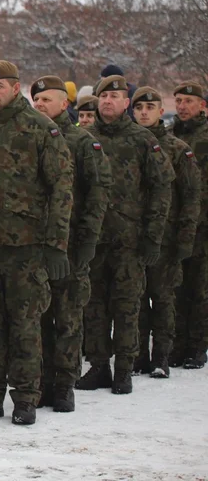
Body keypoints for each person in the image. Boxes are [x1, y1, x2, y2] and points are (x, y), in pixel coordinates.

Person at [0, 62, 73, 427]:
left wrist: (56, 243)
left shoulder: (41, 129)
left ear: (16, 89)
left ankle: (26, 397)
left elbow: (61, 189)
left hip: (26, 246)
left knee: (25, 325)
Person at [78, 75, 173, 395]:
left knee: (128, 305)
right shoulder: (84, 137)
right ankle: (99, 365)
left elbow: (161, 189)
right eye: (103, 96)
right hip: (92, 238)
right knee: (93, 305)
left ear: (126, 103)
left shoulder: (143, 139)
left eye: (115, 96)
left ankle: (124, 368)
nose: (108, 101)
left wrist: (153, 236)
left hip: (128, 238)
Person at [32, 75, 111, 413]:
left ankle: (64, 384)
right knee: (36, 319)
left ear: (65, 104)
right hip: (35, 246)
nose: (40, 106)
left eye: (47, 100)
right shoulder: (30, 138)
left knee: (67, 318)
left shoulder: (82, 142)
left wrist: (89, 241)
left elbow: (97, 195)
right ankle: (42, 384)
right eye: (36, 101)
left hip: (71, 245)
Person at [132, 87, 199, 378]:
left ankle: (161, 356)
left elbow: (191, 197)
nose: (144, 112)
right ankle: (138, 356)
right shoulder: (127, 145)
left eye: (150, 107)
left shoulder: (177, 149)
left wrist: (185, 239)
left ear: (161, 111)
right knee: (135, 299)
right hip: (131, 237)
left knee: (163, 298)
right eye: (139, 107)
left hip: (166, 238)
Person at [172, 81, 208, 369]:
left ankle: (197, 346)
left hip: (204, 223)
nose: (182, 106)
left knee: (200, 287)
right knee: (176, 285)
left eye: (188, 101)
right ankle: (177, 343)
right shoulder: (171, 136)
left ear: (202, 106)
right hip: (176, 222)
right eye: (179, 101)